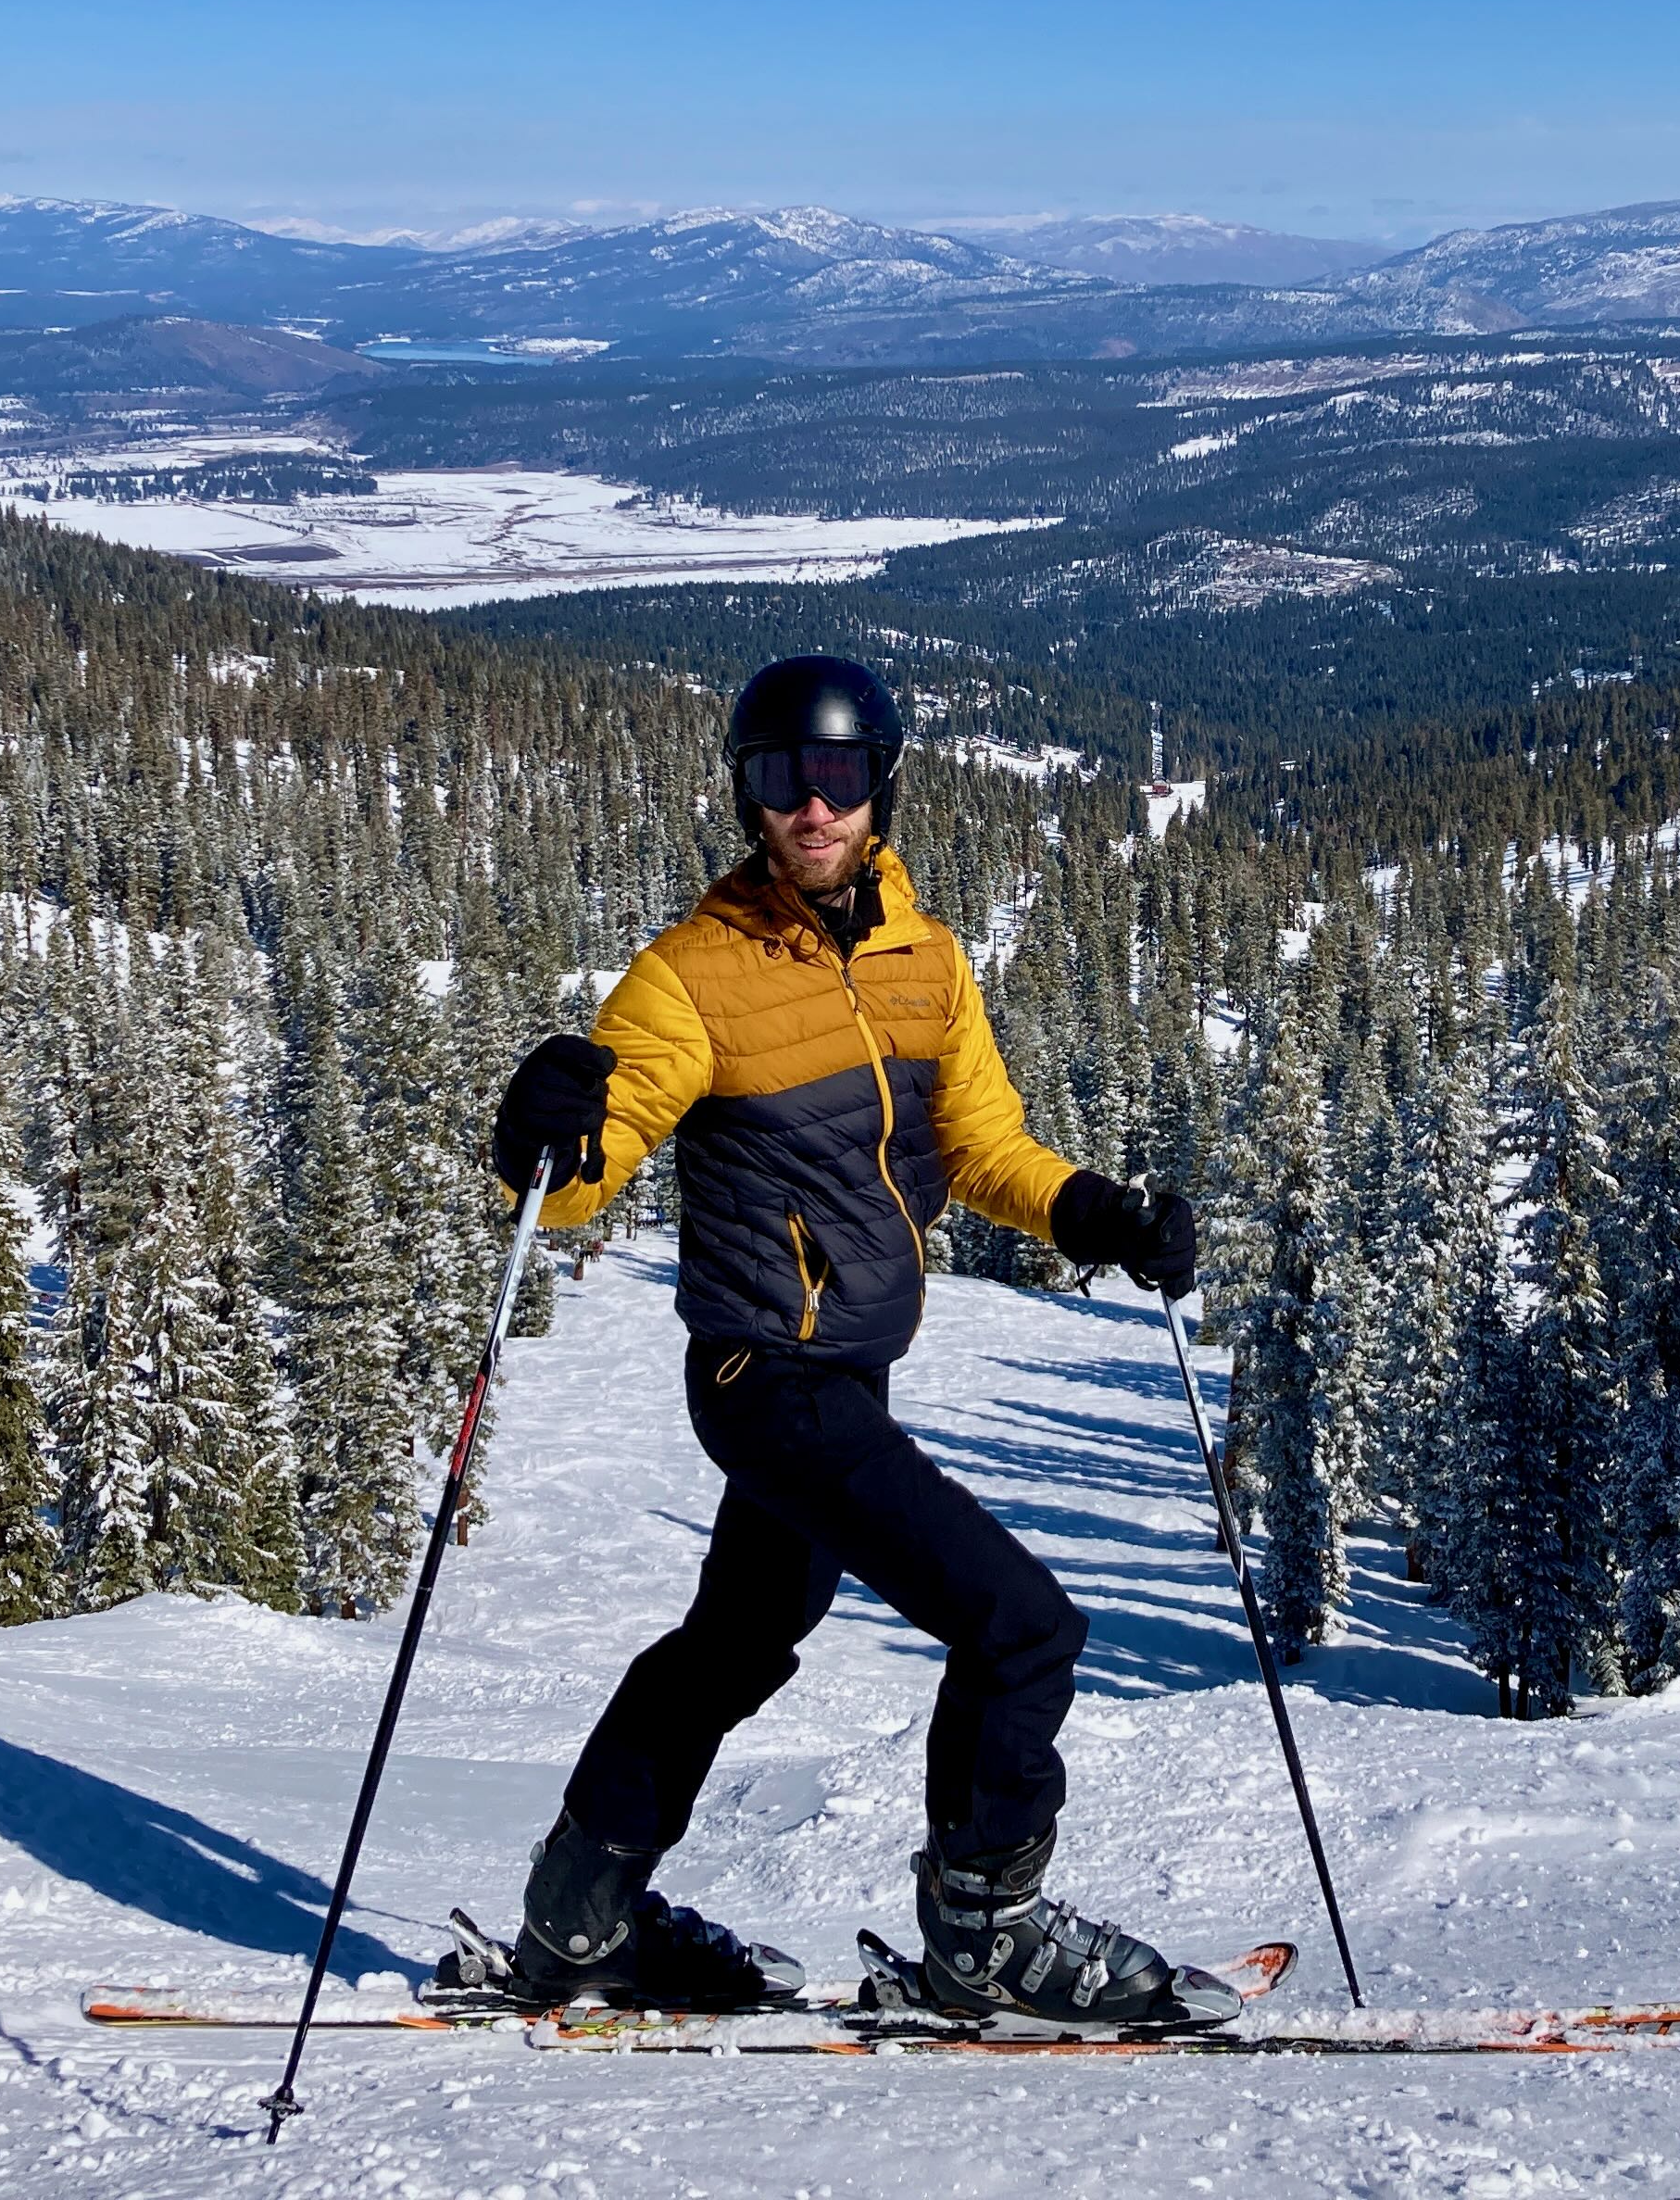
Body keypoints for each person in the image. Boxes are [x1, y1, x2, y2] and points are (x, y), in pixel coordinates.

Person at [470, 651, 1206, 2024]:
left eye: (840, 775)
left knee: (738, 1642)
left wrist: (1094, 1213)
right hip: (768, 1382)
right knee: (1022, 1628)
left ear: (880, 785)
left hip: (842, 1377)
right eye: (781, 781)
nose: (813, 809)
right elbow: (589, 1165)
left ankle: (579, 1916)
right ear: (748, 800)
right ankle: (986, 1937)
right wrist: (544, 1139)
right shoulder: (693, 978)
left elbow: (979, 1145)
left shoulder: (927, 962)